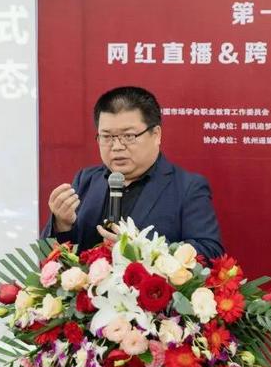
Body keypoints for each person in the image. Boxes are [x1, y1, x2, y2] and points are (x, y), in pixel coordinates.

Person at [40, 86, 224, 260]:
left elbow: (210, 252)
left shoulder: (187, 187)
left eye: (128, 136)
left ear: (156, 135)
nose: (117, 146)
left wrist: (140, 247)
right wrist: (62, 225)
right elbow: (50, 259)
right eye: (107, 136)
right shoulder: (86, 180)